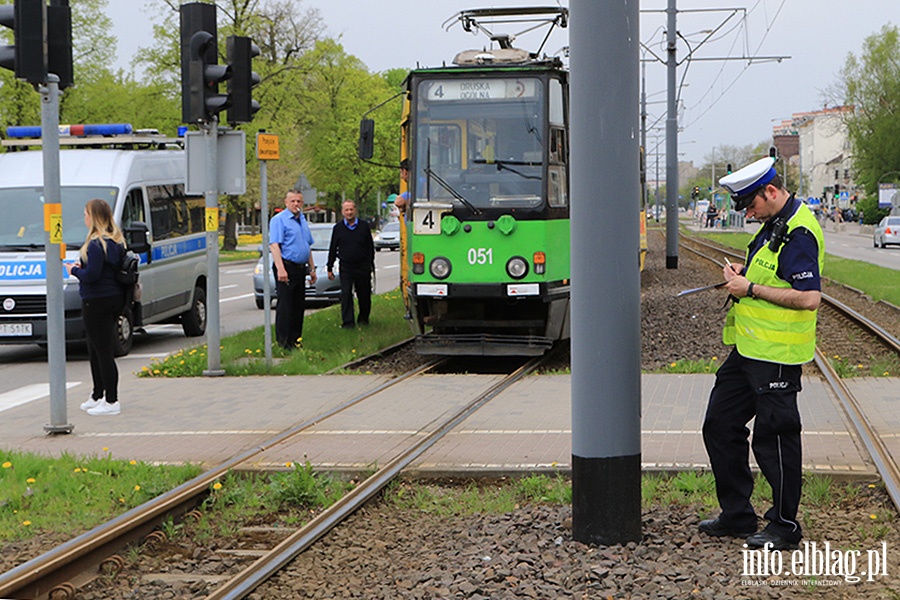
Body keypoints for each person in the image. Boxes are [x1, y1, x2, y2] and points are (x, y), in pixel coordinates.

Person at [699, 157, 824, 551]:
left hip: (778, 355)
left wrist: (749, 289)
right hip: (749, 351)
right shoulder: (774, 223)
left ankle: (784, 527)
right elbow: (771, 271)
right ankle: (737, 515)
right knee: (719, 425)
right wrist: (744, 271)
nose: (748, 214)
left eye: (750, 206)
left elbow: (808, 297)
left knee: (775, 440)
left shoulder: (799, 232)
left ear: (770, 191)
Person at [65, 199, 127, 416]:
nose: (84, 218)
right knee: (95, 348)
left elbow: (92, 276)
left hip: (96, 300)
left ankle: (111, 401)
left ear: (93, 217)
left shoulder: (96, 243)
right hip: (113, 298)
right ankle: (97, 394)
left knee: (102, 351)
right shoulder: (116, 241)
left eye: (85, 214)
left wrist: (73, 270)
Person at [269, 189, 317, 350]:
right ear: (286, 202)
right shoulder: (279, 220)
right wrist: (281, 269)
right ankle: (283, 342)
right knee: (286, 306)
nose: (296, 204)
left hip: (300, 268)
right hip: (286, 267)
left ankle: (296, 341)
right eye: (293, 201)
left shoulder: (302, 220)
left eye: (298, 201)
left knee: (298, 306)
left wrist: (312, 268)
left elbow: (307, 245)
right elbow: (274, 245)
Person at [327, 200, 375, 328]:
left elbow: (370, 247)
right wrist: (329, 267)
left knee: (364, 295)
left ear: (355, 210)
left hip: (362, 266)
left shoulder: (364, 226)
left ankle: (363, 319)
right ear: (343, 212)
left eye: (351, 209)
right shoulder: (338, 228)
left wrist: (370, 264)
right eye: (346, 210)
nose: (349, 212)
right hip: (346, 267)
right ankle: (348, 322)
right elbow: (333, 248)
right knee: (346, 294)